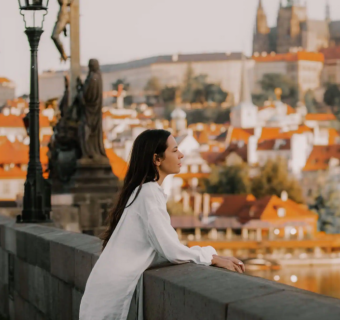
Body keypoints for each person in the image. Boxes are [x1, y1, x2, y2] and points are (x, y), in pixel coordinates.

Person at [79, 129, 244, 320]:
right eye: (174, 150)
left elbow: (158, 249)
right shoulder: (148, 194)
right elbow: (172, 251)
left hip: (104, 287)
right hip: (109, 292)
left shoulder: (142, 192)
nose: (181, 154)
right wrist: (211, 257)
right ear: (157, 159)